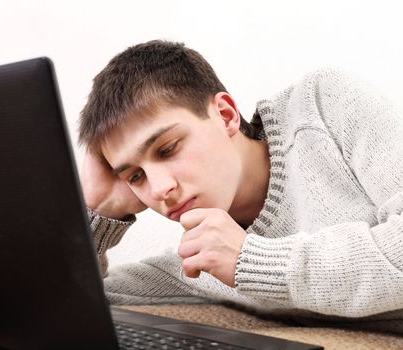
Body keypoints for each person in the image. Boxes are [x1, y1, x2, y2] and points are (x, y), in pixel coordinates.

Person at [77, 40, 403, 332]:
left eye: (168, 149)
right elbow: (67, 305)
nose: (159, 189)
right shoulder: (201, 261)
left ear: (225, 114)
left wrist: (251, 261)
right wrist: (98, 211)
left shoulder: (324, 105)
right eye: (136, 176)